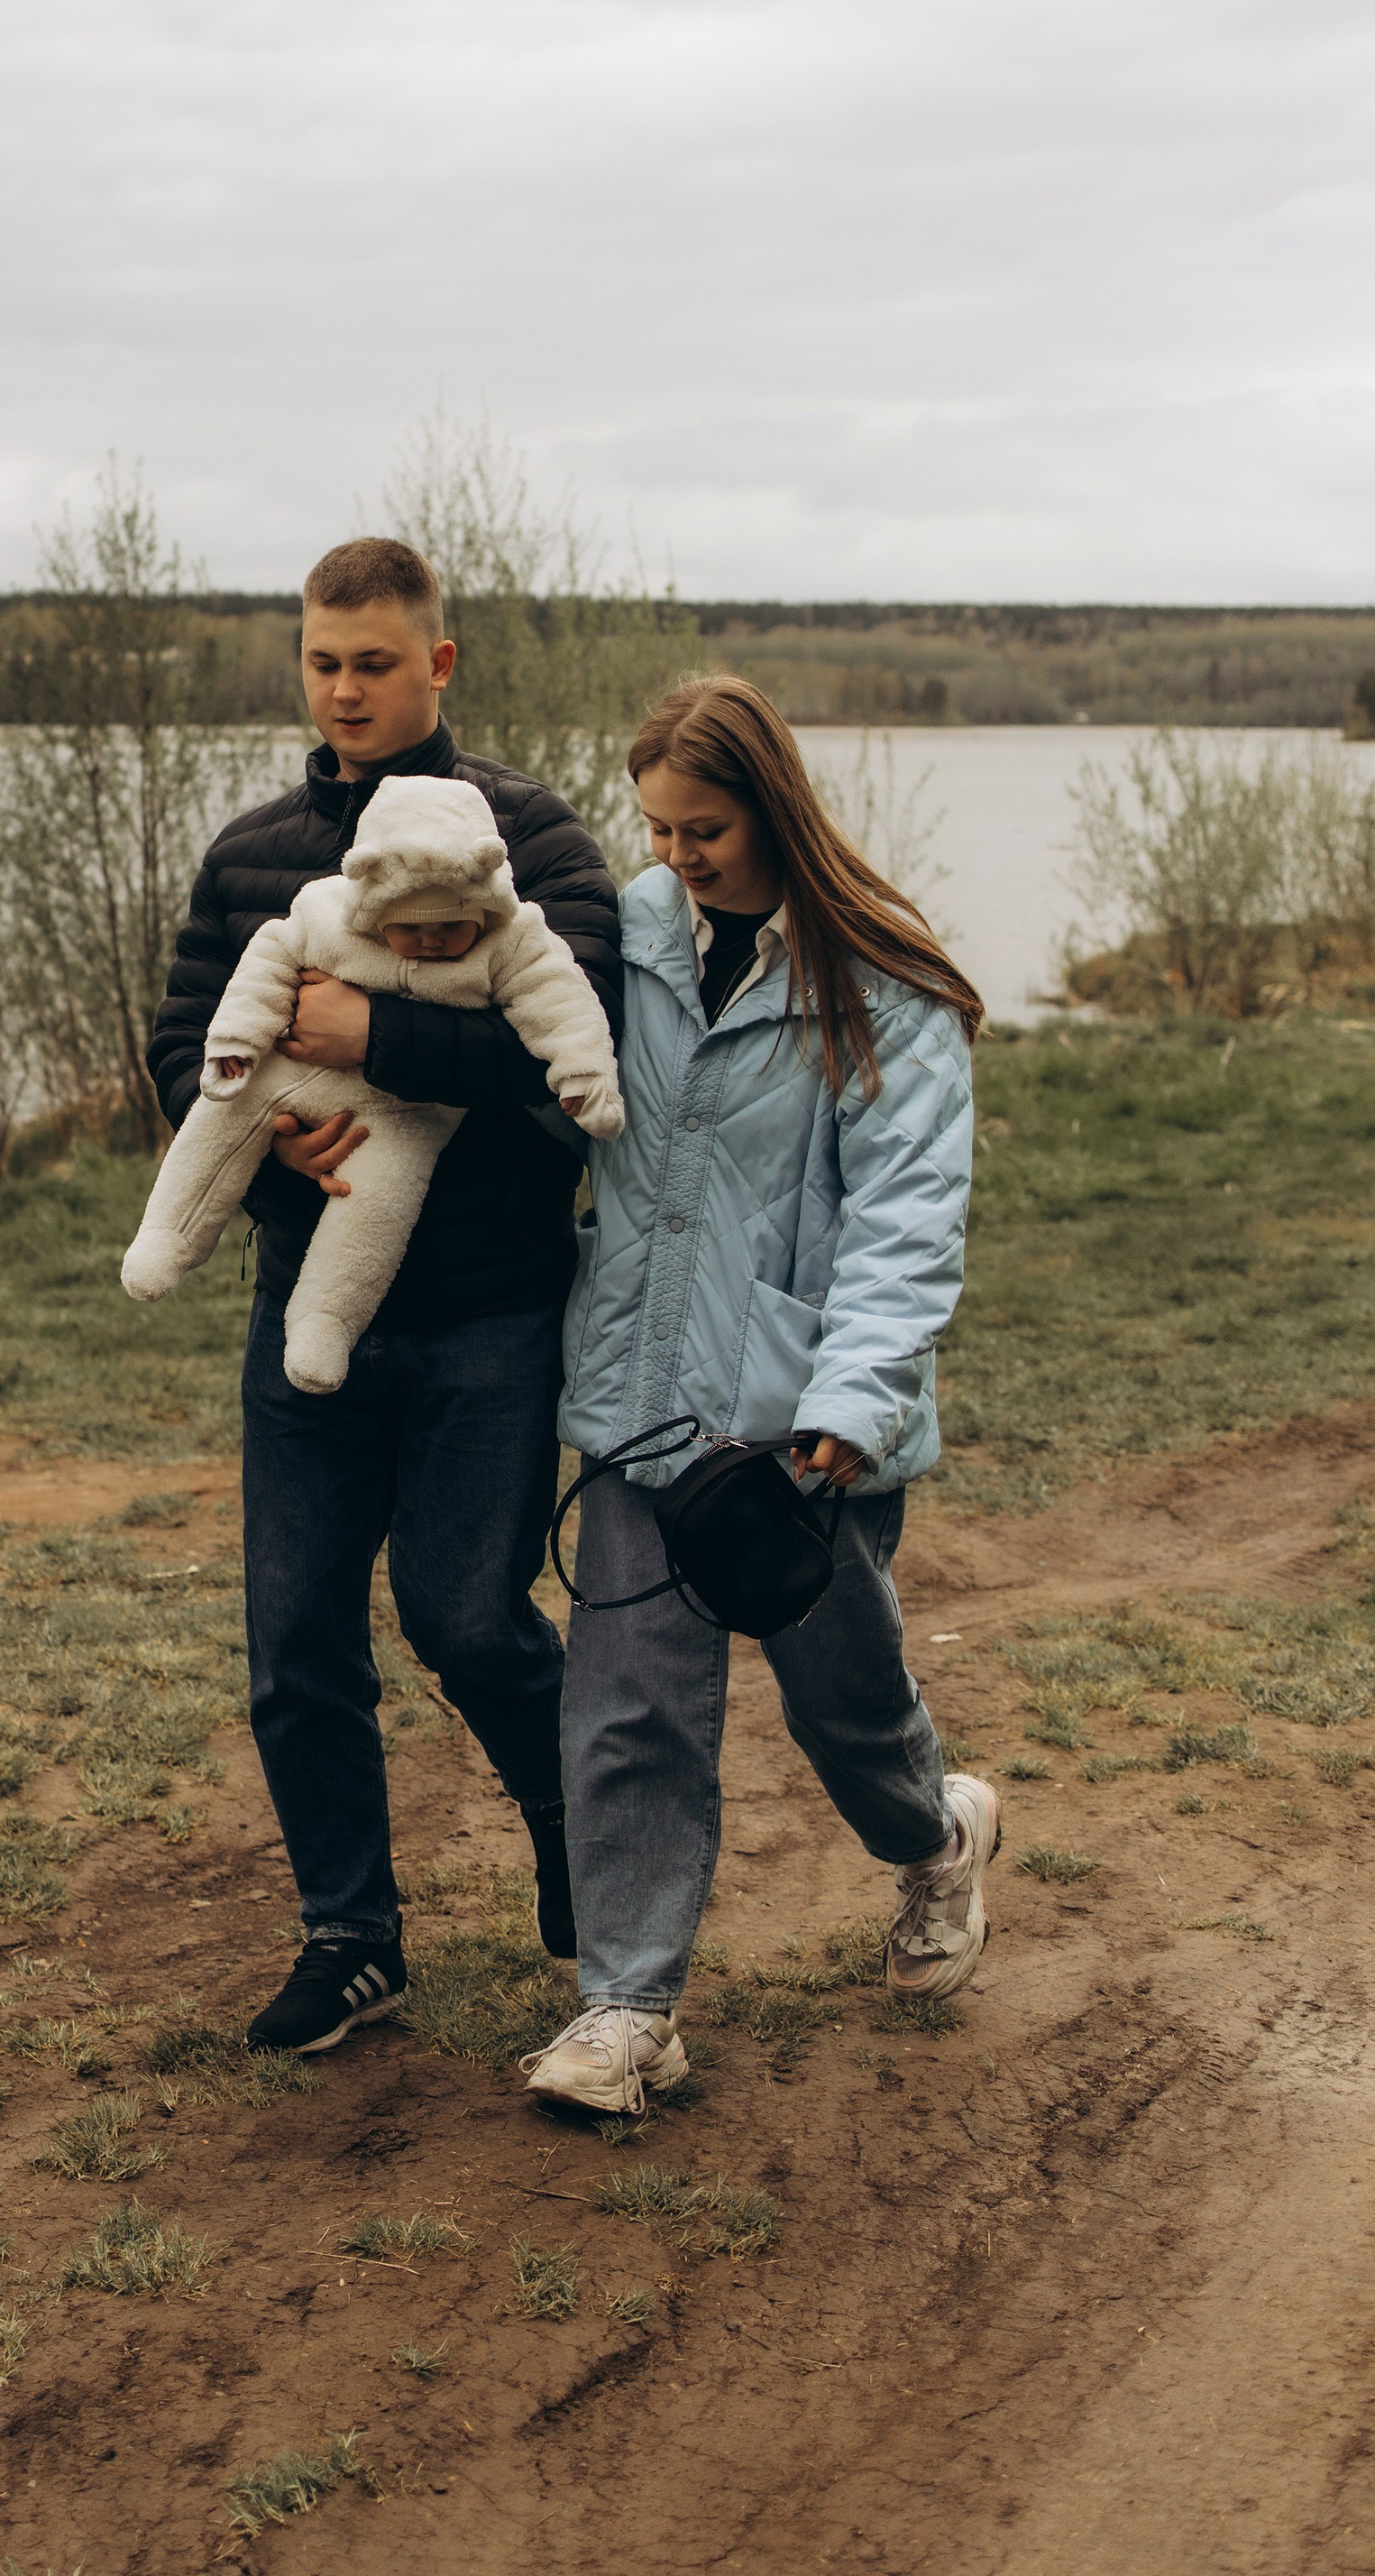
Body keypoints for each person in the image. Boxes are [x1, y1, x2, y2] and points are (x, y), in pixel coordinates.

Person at [147, 536, 622, 2054]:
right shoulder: (251, 854)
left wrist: (370, 1036)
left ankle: (572, 1823)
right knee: (294, 1640)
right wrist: (276, 1134)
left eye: (374, 661)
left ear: (440, 665)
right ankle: (352, 1937)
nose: (345, 688)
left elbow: (579, 1055)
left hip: (491, 1310)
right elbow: (180, 1055)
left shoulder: (531, 849)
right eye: (322, 661)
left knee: (468, 1618)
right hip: (308, 1312)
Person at [523, 676, 995, 2119]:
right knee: (630, 1709)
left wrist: (854, 1399)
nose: (676, 859)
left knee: (844, 1706)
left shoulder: (884, 978)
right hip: (638, 1407)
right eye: (657, 830)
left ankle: (935, 1842)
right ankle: (627, 2006)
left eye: (705, 830)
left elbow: (909, 1213)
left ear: (773, 808)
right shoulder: (626, 941)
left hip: (804, 1429)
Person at [123, 773, 622, 1392]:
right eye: (410, 926)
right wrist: (236, 1042)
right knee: (219, 1117)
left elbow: (565, 1005)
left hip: (405, 1115)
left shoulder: (514, 940)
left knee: (378, 1207)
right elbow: (265, 963)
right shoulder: (323, 912)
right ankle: (168, 1236)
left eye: (452, 925)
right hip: (291, 1078)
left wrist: (584, 1079)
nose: (432, 941)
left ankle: (324, 1324)